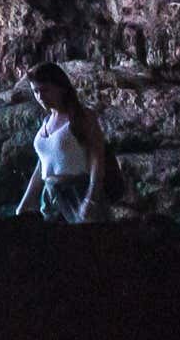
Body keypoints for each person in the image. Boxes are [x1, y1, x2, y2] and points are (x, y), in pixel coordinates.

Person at [12, 64, 121, 223]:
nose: (40, 97)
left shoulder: (82, 117)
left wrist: (91, 199)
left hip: (79, 192)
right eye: (36, 91)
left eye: (45, 90)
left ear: (61, 88)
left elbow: (97, 159)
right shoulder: (46, 122)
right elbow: (42, 167)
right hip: (51, 197)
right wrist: (24, 204)